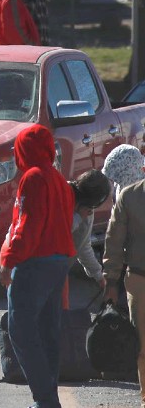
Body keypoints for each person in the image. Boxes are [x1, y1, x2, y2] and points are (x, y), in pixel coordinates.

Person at [0, 123, 76, 408]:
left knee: (20, 329)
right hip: (59, 261)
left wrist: (9, 261)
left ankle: (45, 400)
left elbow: (26, 225)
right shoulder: (58, 179)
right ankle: (48, 396)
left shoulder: (32, 178)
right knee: (47, 331)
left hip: (35, 262)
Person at [102, 159, 145, 407]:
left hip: (137, 277)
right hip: (139, 278)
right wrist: (111, 282)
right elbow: (114, 242)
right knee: (142, 348)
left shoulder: (128, 196)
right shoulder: (129, 197)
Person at [71, 170, 112, 286]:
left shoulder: (87, 210)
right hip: (37, 264)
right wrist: (78, 217)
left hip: (57, 269)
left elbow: (82, 246)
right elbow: (54, 234)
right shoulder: (59, 196)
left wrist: (99, 276)